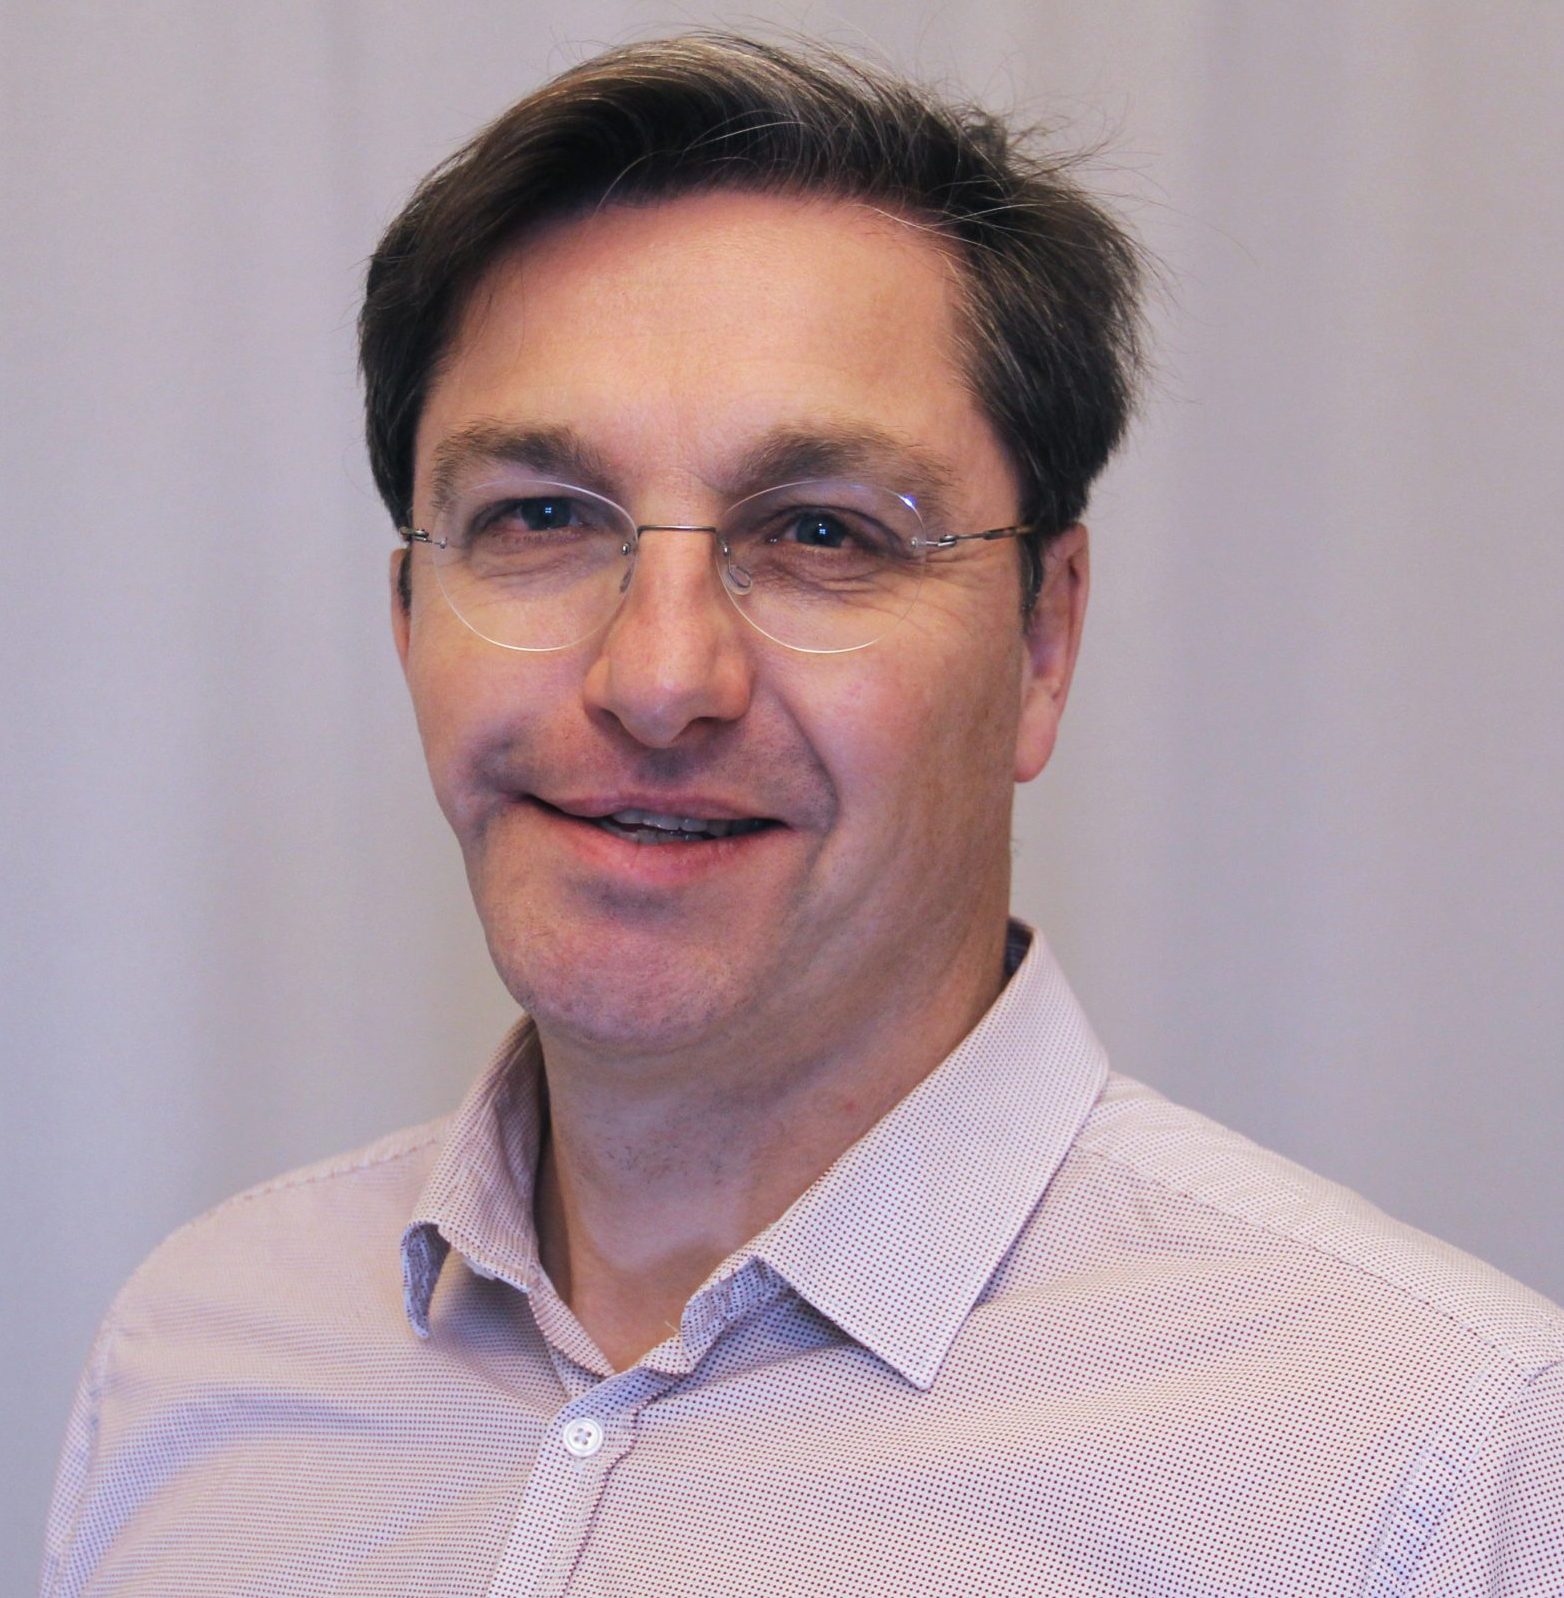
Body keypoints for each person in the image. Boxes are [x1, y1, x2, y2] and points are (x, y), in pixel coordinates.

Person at [40, 33, 1563, 1598]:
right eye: (542, 519)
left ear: (1046, 640)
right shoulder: (195, 1359)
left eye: (826, 531)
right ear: (410, 614)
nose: (658, 676)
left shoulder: (1431, 1469)